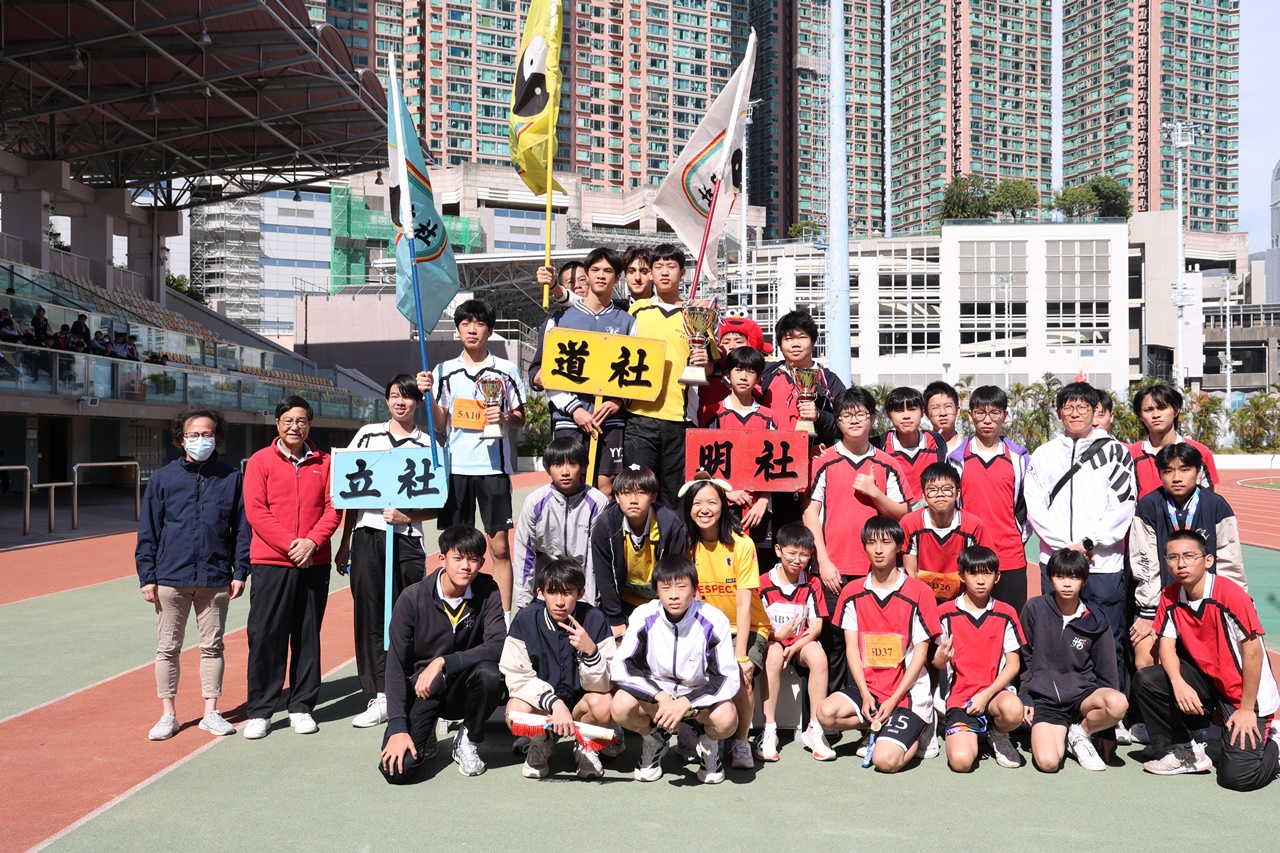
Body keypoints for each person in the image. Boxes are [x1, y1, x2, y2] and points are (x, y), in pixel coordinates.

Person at [135, 406, 250, 741]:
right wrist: (147, 575)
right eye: (194, 434)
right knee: (167, 648)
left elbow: (242, 530)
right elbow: (149, 530)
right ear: (181, 439)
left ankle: (211, 712)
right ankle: (168, 715)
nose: (201, 440)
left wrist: (240, 570)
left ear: (217, 437)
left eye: (207, 434)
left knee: (212, 647)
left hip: (215, 577)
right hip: (170, 577)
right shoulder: (162, 479)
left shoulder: (231, 478)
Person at [1133, 530, 1280, 789]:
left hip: (1245, 693)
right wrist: (1178, 682)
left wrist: (1246, 709)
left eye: (1189, 556)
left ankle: (1275, 744)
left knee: (1238, 778)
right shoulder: (1170, 595)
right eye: (1173, 557)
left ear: (1208, 560)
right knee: (1147, 679)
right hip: (1210, 680)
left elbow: (1254, 654)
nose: (1181, 563)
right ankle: (1184, 751)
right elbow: (1166, 646)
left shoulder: (1231, 595)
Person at [333, 374, 436, 729]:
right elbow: (349, 490)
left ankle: (409, 688)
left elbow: (440, 500)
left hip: (407, 539)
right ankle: (379, 695)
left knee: (409, 615)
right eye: (393, 395)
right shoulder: (368, 435)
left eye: (406, 396)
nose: (399, 402)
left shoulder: (428, 443)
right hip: (368, 535)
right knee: (370, 615)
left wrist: (409, 517)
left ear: (417, 402)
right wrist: (345, 542)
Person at [418, 299, 527, 620]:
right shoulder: (443, 371)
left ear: (489, 330)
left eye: (479, 323)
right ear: (458, 329)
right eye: (465, 323)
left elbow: (520, 417)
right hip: (456, 470)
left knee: (499, 548)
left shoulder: (505, 370)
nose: (472, 329)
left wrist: (504, 416)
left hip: (493, 469)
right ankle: (456, 610)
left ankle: (503, 619)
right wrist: (427, 394)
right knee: (456, 548)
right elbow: (440, 424)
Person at [242, 396, 341, 739]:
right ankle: (260, 710)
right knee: (266, 636)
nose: (294, 426)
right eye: (288, 420)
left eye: (301, 420)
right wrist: (291, 545)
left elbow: (334, 509)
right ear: (277, 423)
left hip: (315, 561)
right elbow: (257, 511)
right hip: (271, 562)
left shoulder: (326, 463)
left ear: (310, 424)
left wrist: (312, 542)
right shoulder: (260, 461)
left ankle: (301, 706)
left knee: (307, 636)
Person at [804, 386, 913, 695]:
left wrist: (875, 493)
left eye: (861, 414)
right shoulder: (823, 461)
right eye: (846, 415)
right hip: (833, 571)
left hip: (877, 571)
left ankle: (876, 706)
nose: (854, 420)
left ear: (873, 419)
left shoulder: (887, 463)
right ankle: (828, 714)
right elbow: (810, 513)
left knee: (874, 642)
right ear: (837, 421)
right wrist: (823, 562)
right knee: (835, 645)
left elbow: (903, 513)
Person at [1025, 381, 1135, 681]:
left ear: (1095, 411)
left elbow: (1123, 506)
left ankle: (1109, 704)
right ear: (1059, 412)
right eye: (1068, 407)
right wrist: (1067, 549)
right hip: (1056, 564)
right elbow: (1035, 507)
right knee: (1057, 638)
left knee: (1108, 639)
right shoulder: (1044, 454)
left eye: (1083, 407)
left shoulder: (1116, 452)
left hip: (1103, 565)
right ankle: (1059, 701)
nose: (1075, 413)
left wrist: (1088, 543)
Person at [379, 526, 507, 782]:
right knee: (398, 771)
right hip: (423, 690)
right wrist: (398, 726)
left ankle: (467, 738)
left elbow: (499, 644)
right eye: (458, 558)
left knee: (491, 675)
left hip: (464, 687)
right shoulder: (412, 598)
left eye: (473, 559)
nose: (466, 566)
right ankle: (425, 733)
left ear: (482, 562)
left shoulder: (488, 590)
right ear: (442, 559)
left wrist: (443, 662)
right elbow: (396, 665)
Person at [815, 518, 941, 772]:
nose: (879, 549)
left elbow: (921, 654)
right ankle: (879, 726)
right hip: (871, 689)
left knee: (885, 762)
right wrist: (864, 694)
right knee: (825, 714)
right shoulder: (852, 592)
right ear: (864, 547)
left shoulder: (919, 592)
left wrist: (893, 700)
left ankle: (922, 727)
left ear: (899, 546)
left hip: (906, 694)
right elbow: (852, 649)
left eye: (886, 542)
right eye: (872, 543)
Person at [610, 553, 740, 784]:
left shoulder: (714, 619)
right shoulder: (643, 615)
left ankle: (708, 745)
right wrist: (660, 696)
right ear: (656, 590)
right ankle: (654, 740)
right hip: (658, 697)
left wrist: (687, 702)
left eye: (681, 586)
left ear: (695, 589)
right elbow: (622, 666)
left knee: (727, 718)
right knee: (620, 706)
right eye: (665, 587)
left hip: (696, 698)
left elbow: (727, 677)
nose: (673, 595)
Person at [1128, 443, 1245, 670]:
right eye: (1168, 471)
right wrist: (1148, 612)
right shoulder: (1148, 506)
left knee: (1218, 661)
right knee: (1144, 657)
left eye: (1184, 469)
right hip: (1162, 601)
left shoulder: (1217, 506)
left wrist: (1231, 605)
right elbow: (1145, 562)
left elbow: (1230, 562)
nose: (1176, 478)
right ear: (1160, 474)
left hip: (1207, 601)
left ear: (1198, 471)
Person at [529, 248, 635, 496]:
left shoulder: (628, 321)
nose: (601, 275)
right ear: (587, 275)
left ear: (617, 278)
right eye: (595, 270)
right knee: (570, 484)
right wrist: (575, 410)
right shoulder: (559, 320)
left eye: (608, 270)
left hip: (611, 420)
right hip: (569, 418)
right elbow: (548, 374)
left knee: (607, 486)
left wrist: (617, 401)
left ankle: (602, 525)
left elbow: (635, 375)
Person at [683, 474, 772, 771]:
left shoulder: (742, 544)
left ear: (723, 505)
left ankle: (741, 741)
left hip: (748, 626)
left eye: (711, 502)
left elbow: (744, 604)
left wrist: (741, 654)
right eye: (697, 503)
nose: (704, 509)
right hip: (707, 628)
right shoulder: (686, 545)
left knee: (740, 674)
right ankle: (702, 734)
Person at [501, 558, 617, 779]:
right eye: (552, 592)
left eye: (567, 593)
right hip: (544, 706)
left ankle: (586, 745)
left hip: (580, 706)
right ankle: (540, 742)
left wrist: (591, 652)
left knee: (603, 702)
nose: (560, 602)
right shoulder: (525, 621)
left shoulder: (595, 619)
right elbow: (517, 676)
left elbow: (605, 685)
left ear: (581, 593)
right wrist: (553, 702)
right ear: (540, 593)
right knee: (515, 710)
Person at [1019, 548, 1128, 772]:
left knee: (1118, 703)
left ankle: (1081, 732)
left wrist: (1106, 730)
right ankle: (1066, 736)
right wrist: (1025, 695)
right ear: (1050, 578)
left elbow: (1107, 670)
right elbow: (1024, 655)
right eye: (1060, 576)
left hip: (1082, 698)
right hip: (1046, 702)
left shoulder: (1096, 618)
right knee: (1048, 763)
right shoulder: (1035, 608)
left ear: (1084, 580)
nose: (1067, 584)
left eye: (1074, 577)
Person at [623, 243, 709, 509]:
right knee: (638, 494)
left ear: (682, 273)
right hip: (639, 417)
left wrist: (704, 361)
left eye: (671, 266)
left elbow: (710, 369)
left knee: (676, 499)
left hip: (680, 420)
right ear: (651, 273)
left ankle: (673, 540)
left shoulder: (697, 313)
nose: (664, 272)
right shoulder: (636, 311)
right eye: (658, 266)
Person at [933, 546, 1025, 771]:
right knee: (961, 762)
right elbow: (936, 664)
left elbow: (1013, 665)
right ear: (962, 576)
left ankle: (997, 733)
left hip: (994, 695)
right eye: (974, 573)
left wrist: (985, 695)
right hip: (960, 700)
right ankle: (969, 731)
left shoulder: (1006, 613)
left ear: (997, 577)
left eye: (987, 573)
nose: (981, 580)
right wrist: (941, 658)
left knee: (1014, 711)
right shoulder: (945, 613)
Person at [760, 310, 847, 539]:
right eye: (788, 338)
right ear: (779, 343)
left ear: (813, 341)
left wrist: (820, 417)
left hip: (814, 471)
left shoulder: (829, 380)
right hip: (771, 469)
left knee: (813, 534)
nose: (795, 344)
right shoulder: (765, 375)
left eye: (802, 337)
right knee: (775, 537)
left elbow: (846, 424)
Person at [948, 385, 1033, 612]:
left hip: (1010, 556)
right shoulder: (956, 460)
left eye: (995, 413)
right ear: (970, 415)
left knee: (1011, 621)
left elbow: (1026, 506)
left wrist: (1018, 537)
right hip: (969, 555)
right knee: (968, 620)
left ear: (1005, 416)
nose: (987, 420)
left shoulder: (1020, 458)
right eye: (980, 413)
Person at [756, 522, 833, 762]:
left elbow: (816, 626)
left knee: (819, 658)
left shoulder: (813, 583)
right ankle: (769, 730)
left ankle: (815, 728)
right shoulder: (762, 582)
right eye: (791, 553)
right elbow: (757, 626)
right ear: (778, 550)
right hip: (773, 641)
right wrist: (779, 637)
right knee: (773, 656)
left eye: (804, 554)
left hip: (799, 644)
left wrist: (794, 646)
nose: (797, 560)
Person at [512, 434, 610, 612]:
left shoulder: (597, 503)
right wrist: (524, 603)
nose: (565, 472)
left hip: (582, 588)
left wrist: (590, 607)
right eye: (557, 465)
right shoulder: (534, 502)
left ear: (583, 467)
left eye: (572, 464)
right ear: (548, 469)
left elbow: (593, 559)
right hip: (546, 584)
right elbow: (524, 553)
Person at [590, 465, 688, 638]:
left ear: (653, 496)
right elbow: (604, 575)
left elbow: (677, 572)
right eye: (626, 493)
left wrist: (673, 614)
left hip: (660, 602)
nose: (633, 500)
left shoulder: (670, 525)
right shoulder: (605, 525)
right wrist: (615, 618)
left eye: (641, 493)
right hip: (622, 602)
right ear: (617, 497)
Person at [699, 344, 775, 538]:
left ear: (758, 378)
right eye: (738, 370)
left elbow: (775, 466)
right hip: (719, 504)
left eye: (750, 372)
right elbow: (702, 464)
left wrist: (763, 501)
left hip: (758, 508)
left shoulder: (769, 417)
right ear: (727, 374)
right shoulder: (712, 412)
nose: (743, 377)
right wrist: (725, 493)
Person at [901, 463, 991, 603]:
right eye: (932, 489)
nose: (940, 494)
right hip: (921, 599)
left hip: (962, 600)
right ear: (924, 495)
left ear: (957, 493)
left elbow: (981, 569)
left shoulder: (974, 526)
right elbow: (910, 574)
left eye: (947, 489)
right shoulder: (909, 524)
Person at [1129, 383, 1220, 498]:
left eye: (1162, 408)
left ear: (1176, 411)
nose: (1156, 415)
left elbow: (1208, 498)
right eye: (1148, 409)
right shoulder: (1130, 455)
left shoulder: (1201, 452)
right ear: (1140, 416)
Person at [873, 386, 949, 502]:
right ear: (889, 415)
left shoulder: (936, 442)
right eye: (899, 411)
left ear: (922, 412)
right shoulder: (879, 445)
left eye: (912, 409)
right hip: (893, 512)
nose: (906, 416)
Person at [695, 314, 771, 426]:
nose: (732, 346)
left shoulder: (763, 377)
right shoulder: (706, 373)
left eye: (739, 342)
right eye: (726, 342)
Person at [923, 380, 964, 453]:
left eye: (948, 406)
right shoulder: (921, 448)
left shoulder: (969, 446)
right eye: (935, 407)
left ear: (957, 411)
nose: (943, 413)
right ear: (926, 414)